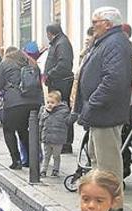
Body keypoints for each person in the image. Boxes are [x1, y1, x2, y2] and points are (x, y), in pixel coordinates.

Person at [75, 7, 132, 203]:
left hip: (105, 113)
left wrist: (92, 103)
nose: (92, 27)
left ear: (107, 24)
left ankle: (113, 203)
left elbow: (113, 80)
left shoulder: (114, 43)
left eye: (95, 22)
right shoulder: (106, 42)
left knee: (107, 163)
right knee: (96, 159)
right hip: (99, 113)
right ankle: (101, 200)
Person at [0, 46, 42, 169]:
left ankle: (16, 160)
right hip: (34, 102)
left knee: (9, 130)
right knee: (24, 130)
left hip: (14, 102)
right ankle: (31, 160)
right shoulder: (32, 63)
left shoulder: (5, 63)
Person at [44, 23, 75, 152]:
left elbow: (64, 64)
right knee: (58, 111)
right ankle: (61, 142)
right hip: (57, 82)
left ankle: (65, 143)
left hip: (61, 83)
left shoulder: (61, 43)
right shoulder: (59, 42)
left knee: (62, 111)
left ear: (50, 33)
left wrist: (49, 74)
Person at [39, 90, 71, 177]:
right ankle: (43, 170)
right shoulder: (44, 111)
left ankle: (55, 170)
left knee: (56, 156)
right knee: (46, 155)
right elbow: (40, 123)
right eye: (48, 102)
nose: (49, 104)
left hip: (58, 139)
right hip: (47, 138)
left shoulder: (63, 111)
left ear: (58, 102)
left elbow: (68, 122)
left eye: (52, 102)